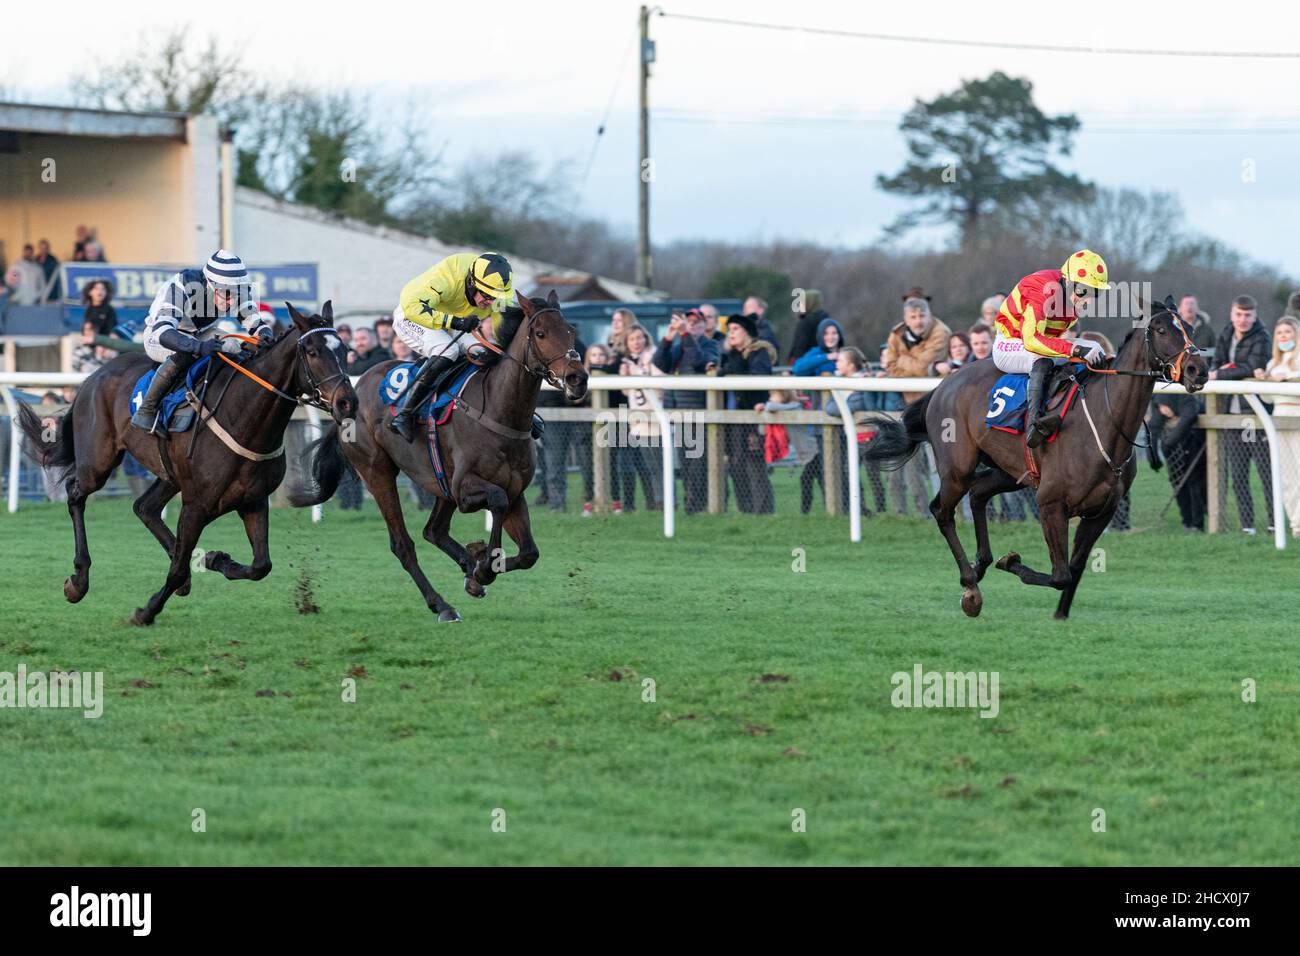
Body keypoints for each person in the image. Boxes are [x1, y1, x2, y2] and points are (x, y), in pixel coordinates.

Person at [131, 250, 273, 432]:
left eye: (236, 294)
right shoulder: (183, 284)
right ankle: (147, 410)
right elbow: (164, 332)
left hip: (200, 333)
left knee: (233, 346)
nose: (232, 301)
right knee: (188, 352)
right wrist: (198, 347)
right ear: (210, 285)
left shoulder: (233, 288)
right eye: (227, 295)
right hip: (160, 335)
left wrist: (266, 336)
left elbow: (254, 323)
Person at [387, 252, 520, 441]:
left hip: (453, 321)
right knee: (448, 351)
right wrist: (456, 322)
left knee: (486, 354)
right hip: (413, 315)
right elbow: (414, 306)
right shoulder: (449, 275)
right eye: (487, 296)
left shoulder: (495, 292)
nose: (491, 303)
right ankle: (405, 413)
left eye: (494, 298)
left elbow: (504, 327)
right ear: (472, 282)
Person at [992, 250, 1110, 448]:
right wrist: (1075, 349)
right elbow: (1031, 341)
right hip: (1010, 343)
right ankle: (1035, 424)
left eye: (1094, 293)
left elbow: (1054, 340)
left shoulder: (1070, 297)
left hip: (1036, 343)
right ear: (1068, 281)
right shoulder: (1042, 289)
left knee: (1089, 352)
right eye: (1084, 291)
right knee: (1043, 359)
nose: (1088, 299)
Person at [1210, 294, 1273, 534]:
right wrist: (1223, 371)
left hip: (1256, 415)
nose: (1243, 319)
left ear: (1255, 316)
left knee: (1266, 474)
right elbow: (1216, 364)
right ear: (1232, 314)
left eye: (1247, 315)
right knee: (1238, 475)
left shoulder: (1263, 337)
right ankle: (1248, 526)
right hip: (1230, 413)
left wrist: (1223, 372)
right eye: (1239, 314)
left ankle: (1273, 523)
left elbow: (1251, 368)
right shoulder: (1226, 333)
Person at [653, 309, 720, 514]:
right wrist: (668, 336)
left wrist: (685, 336)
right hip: (680, 412)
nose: (691, 326)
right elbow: (660, 363)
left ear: (703, 327)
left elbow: (698, 359)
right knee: (686, 464)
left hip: (700, 411)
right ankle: (692, 507)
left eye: (696, 323)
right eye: (688, 323)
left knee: (699, 464)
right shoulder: (679, 345)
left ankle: (701, 507)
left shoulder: (711, 345)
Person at [718, 314, 777, 513]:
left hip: (753, 417)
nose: (730, 333)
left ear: (747, 332)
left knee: (754, 465)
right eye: (729, 330)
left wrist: (732, 366)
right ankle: (746, 510)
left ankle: (763, 511)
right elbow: (723, 374)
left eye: (735, 329)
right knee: (736, 465)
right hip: (734, 419)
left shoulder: (758, 352)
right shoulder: (733, 355)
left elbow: (757, 377)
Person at [1258, 316, 1300, 536]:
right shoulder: (1272, 362)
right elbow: (1268, 398)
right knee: (1286, 475)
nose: (1284, 336)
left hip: (1297, 415)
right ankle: (1296, 525)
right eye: (1280, 333)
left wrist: (1288, 377)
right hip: (1279, 414)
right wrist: (1264, 379)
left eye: (1288, 332)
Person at [618, 325, 663, 510]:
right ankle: (658, 501)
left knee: (661, 465)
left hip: (656, 418)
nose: (636, 342)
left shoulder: (654, 355)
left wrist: (635, 370)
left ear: (646, 338)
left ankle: (666, 502)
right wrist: (625, 373)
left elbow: (657, 386)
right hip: (639, 420)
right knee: (651, 466)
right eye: (632, 339)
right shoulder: (629, 361)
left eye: (639, 338)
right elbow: (627, 391)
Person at [787, 289, 829, 364]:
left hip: (805, 364)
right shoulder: (827, 321)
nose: (799, 305)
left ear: (809, 303)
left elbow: (799, 347)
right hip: (823, 361)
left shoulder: (805, 323)